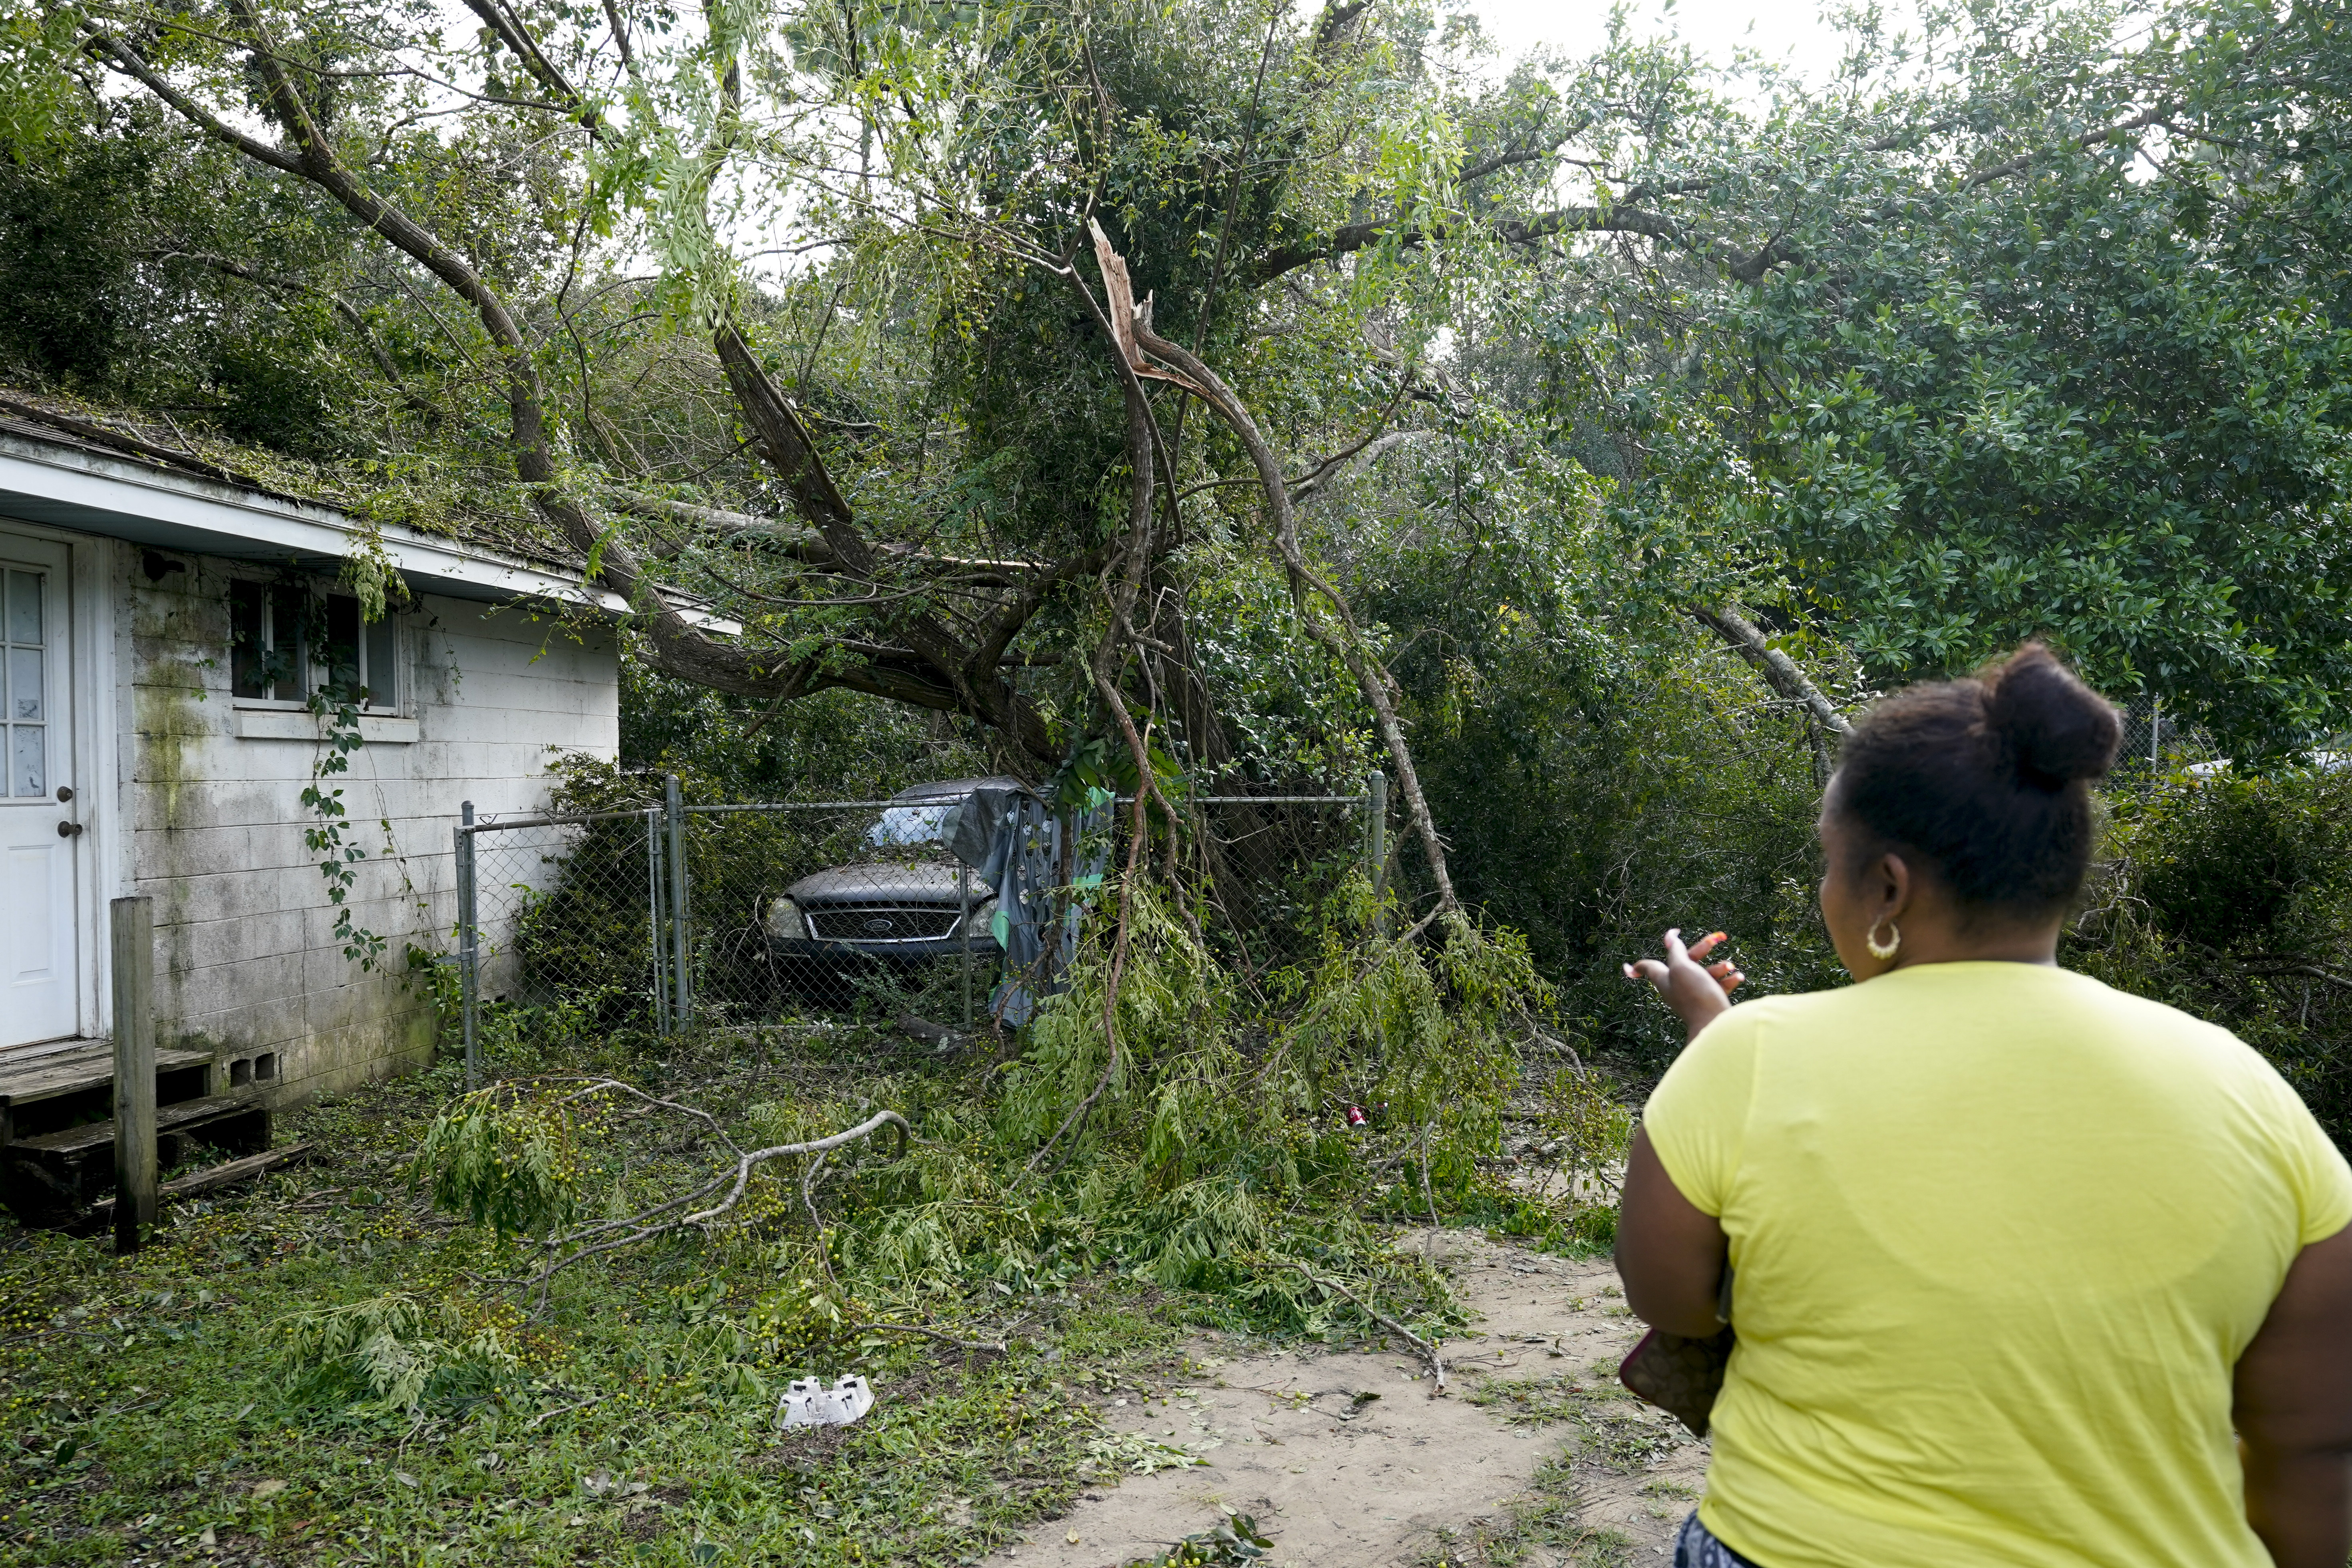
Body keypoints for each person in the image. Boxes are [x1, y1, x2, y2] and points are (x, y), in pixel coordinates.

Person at [1616, 643, 2352, 1568]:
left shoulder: (1750, 1056)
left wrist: (1713, 1038)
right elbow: (2312, 1442)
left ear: (1887, 886)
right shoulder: (2248, 1089)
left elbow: (1671, 1300)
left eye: (1829, 864)